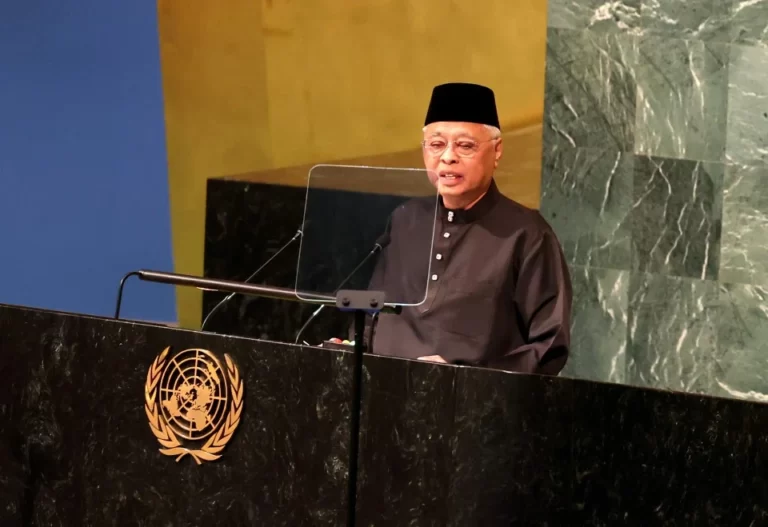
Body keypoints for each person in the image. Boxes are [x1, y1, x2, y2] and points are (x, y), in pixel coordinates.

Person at [365, 82, 572, 375]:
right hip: (385, 389)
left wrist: (466, 377)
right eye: (436, 144)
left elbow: (549, 344)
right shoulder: (404, 219)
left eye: (465, 145)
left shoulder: (527, 235)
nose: (448, 157)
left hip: (471, 399)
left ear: (497, 151)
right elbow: (371, 313)